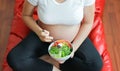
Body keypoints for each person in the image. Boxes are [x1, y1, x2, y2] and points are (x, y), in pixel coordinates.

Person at [7, 0, 103, 71]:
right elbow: (26, 15)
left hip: (73, 40)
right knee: (14, 58)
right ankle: (52, 67)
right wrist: (39, 32)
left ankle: (50, 59)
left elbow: (88, 23)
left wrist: (73, 47)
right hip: (43, 38)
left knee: (95, 64)